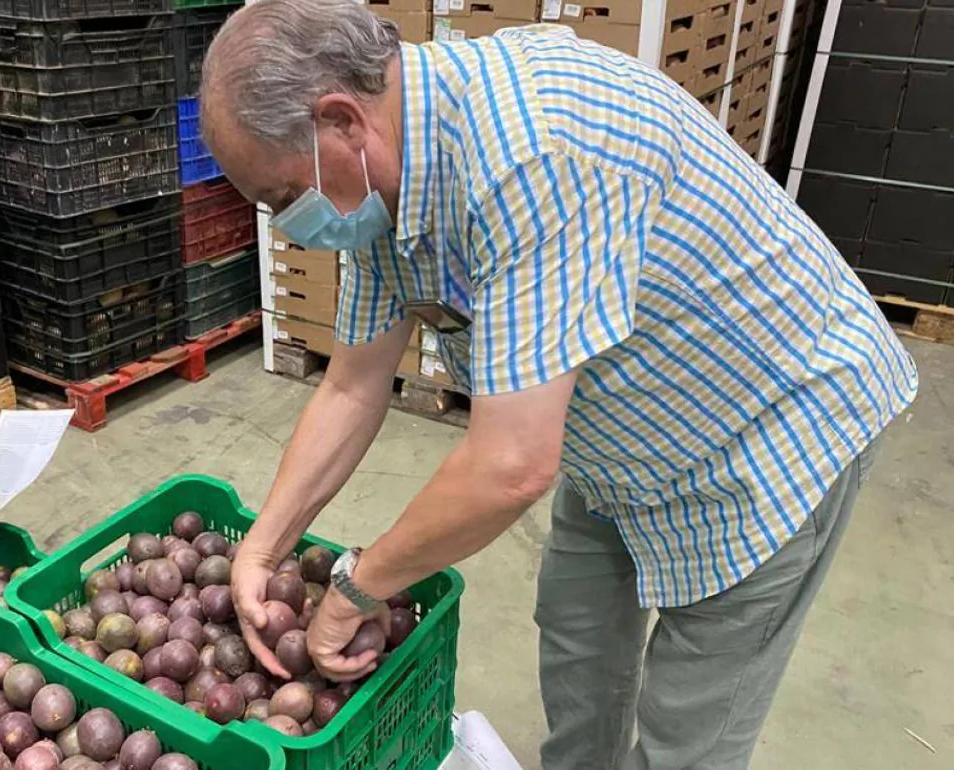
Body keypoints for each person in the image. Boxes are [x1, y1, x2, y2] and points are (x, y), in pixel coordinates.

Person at [199, 0, 918, 767]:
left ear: (342, 120)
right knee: (579, 635)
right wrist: (261, 550)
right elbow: (351, 387)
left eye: (282, 197)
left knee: (690, 729)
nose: (286, 221)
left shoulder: (534, 150)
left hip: (767, 425)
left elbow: (510, 465)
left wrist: (355, 586)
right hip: (616, 424)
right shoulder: (385, 183)